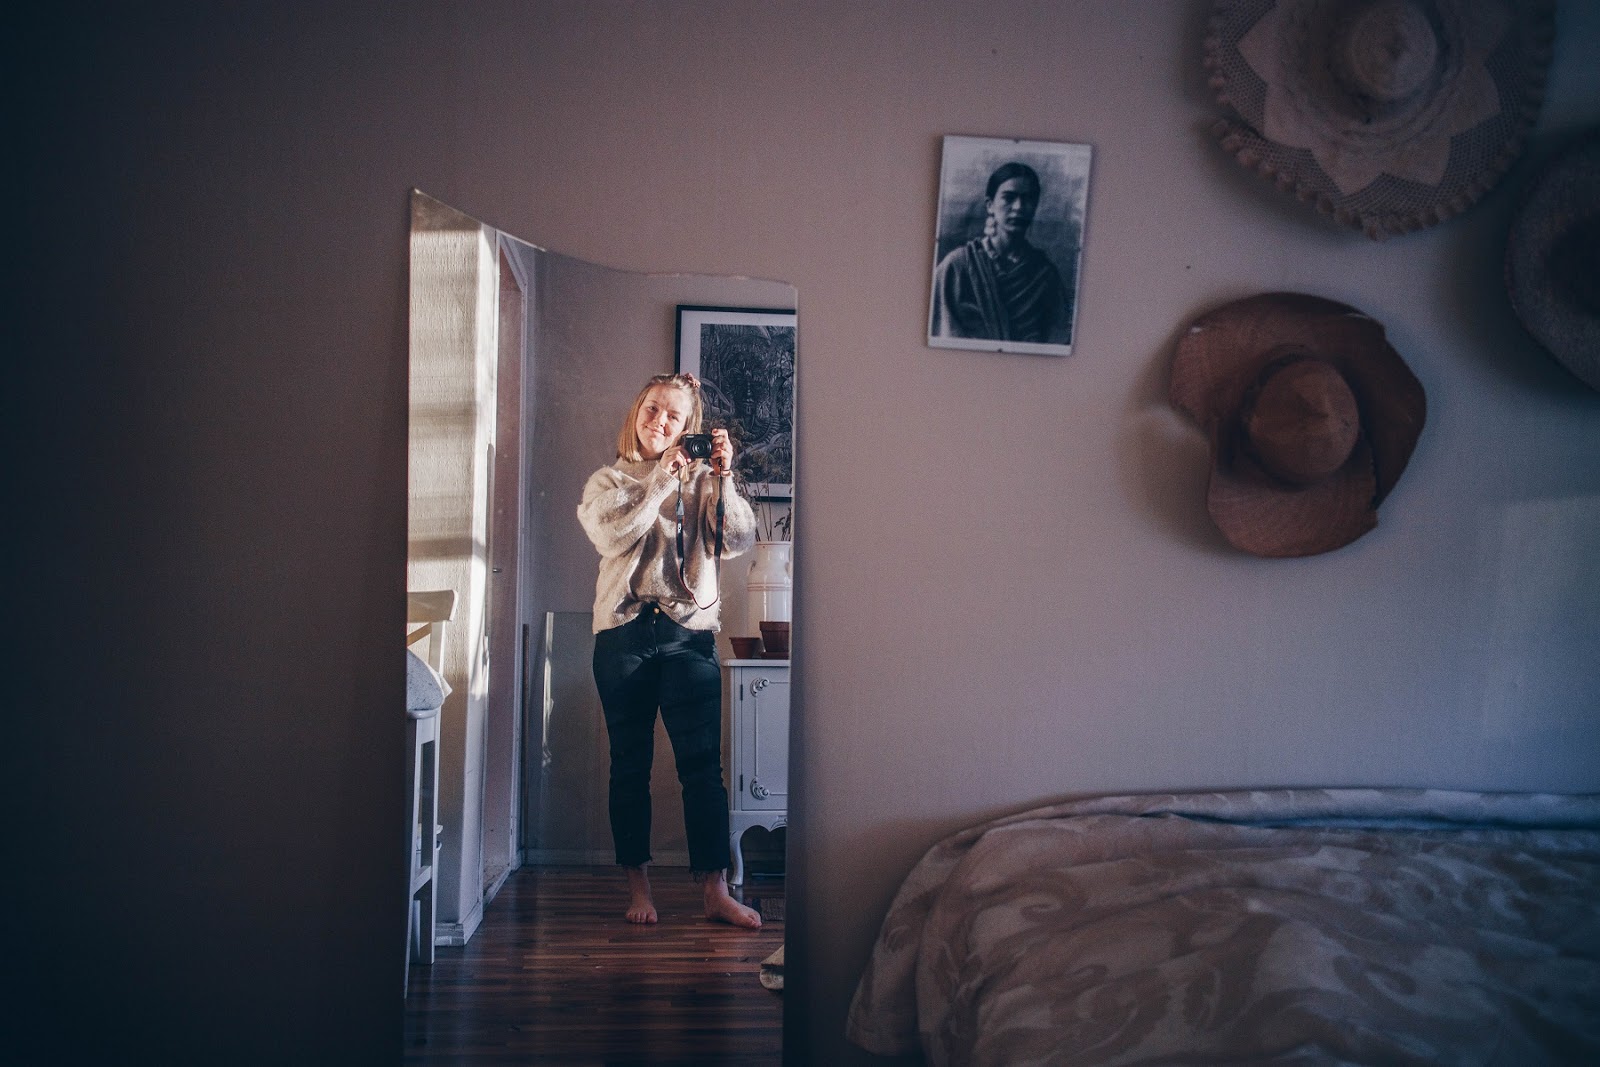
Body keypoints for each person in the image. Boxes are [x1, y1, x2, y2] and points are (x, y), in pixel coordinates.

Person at [576, 372, 763, 927]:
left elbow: (737, 542)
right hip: (623, 635)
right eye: (652, 408)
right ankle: (639, 889)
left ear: (689, 428)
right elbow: (611, 535)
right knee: (628, 766)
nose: (660, 420)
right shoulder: (607, 480)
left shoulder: (705, 481)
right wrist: (661, 479)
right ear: (637, 412)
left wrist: (724, 478)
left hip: (688, 635)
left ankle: (715, 890)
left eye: (673, 415)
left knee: (703, 768)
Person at [931, 161, 1073, 345]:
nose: (1019, 207)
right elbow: (941, 336)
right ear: (990, 205)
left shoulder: (1045, 275)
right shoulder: (957, 266)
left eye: (1028, 199)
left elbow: (1058, 339)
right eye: (1009, 198)